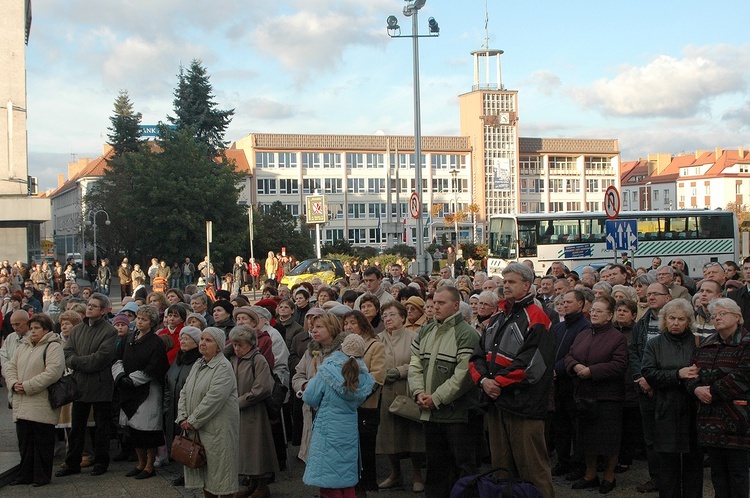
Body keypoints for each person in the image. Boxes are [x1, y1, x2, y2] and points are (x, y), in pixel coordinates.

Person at [468, 263, 555, 498]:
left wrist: (495, 383)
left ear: (527, 285)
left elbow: (531, 365)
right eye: (504, 282)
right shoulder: (496, 316)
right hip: (497, 404)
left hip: (524, 406)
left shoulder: (538, 317)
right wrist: (484, 381)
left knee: (533, 471)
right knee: (501, 471)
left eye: (512, 282)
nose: (506, 286)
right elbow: (476, 356)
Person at [411, 286, 481, 498]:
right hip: (431, 413)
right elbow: (414, 365)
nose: (435, 307)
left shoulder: (467, 334)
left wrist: (437, 398)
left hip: (457, 415)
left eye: (441, 303)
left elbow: (464, 376)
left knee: (464, 467)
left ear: (456, 306)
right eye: (433, 303)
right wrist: (418, 393)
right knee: (435, 466)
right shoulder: (425, 330)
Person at [684, 298, 750, 498]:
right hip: (709, 421)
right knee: (717, 474)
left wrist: (710, 392)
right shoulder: (706, 343)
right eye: (714, 315)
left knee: (738, 475)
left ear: (737, 317)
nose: (718, 318)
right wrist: (695, 390)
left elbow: (743, 376)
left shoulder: (746, 344)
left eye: (723, 314)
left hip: (738, 421)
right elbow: (691, 372)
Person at [564, 295, 628, 494]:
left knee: (608, 440)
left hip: (607, 398)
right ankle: (590, 474)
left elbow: (619, 365)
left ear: (609, 316)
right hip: (584, 395)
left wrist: (593, 371)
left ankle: (609, 476)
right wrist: (574, 366)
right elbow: (569, 355)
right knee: (586, 438)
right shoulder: (583, 334)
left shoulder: (617, 337)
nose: (594, 314)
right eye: (593, 311)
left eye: (599, 311)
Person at [641, 298, 703, 498]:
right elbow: (649, 372)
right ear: (665, 320)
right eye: (672, 318)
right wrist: (677, 374)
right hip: (665, 409)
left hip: (693, 408)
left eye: (681, 319)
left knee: (693, 465)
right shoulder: (654, 344)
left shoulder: (697, 342)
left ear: (688, 321)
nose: (676, 323)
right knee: (668, 467)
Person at [302, 334, 375, 498]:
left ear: (341, 347)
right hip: (349, 428)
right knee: (346, 475)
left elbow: (310, 397)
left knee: (327, 478)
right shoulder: (363, 377)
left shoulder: (326, 371)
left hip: (327, 428)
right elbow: (358, 400)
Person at [57, 293, 117, 478]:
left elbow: (100, 359)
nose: (89, 308)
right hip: (80, 385)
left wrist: (77, 361)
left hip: (100, 385)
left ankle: (101, 462)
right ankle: (72, 462)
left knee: (101, 428)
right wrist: (79, 361)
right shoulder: (76, 331)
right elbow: (66, 354)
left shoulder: (109, 331)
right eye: (89, 305)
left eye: (94, 306)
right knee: (77, 427)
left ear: (104, 310)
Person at [176, 327, 240, 497]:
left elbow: (214, 399)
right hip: (198, 429)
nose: (202, 343)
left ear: (218, 346)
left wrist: (193, 420)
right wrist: (182, 416)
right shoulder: (199, 363)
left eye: (208, 340)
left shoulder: (223, 367)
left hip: (218, 430)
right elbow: (185, 391)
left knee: (222, 476)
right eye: (202, 339)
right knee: (205, 475)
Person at [5, 314, 64, 487]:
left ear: (46, 329)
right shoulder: (23, 345)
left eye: (37, 328)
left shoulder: (53, 346)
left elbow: (53, 372)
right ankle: (25, 475)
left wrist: (28, 386)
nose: (33, 332)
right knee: (25, 442)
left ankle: (41, 476)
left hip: (41, 401)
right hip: (22, 402)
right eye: (31, 328)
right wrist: (14, 383)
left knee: (42, 442)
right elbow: (10, 366)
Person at [112, 305, 169, 480]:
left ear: (151, 323)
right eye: (138, 318)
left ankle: (150, 465)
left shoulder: (155, 342)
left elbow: (155, 367)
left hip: (147, 390)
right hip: (128, 390)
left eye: (144, 319)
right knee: (134, 430)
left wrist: (134, 380)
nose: (139, 321)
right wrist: (121, 377)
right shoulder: (129, 338)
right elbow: (117, 358)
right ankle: (140, 462)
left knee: (148, 431)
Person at [376, 301, 424, 493]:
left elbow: (419, 362)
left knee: (413, 434)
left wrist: (401, 371)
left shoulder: (414, 337)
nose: (388, 319)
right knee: (389, 436)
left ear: (403, 317)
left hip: (407, 389)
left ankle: (417, 474)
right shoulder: (377, 339)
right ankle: (395, 473)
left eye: (392, 315)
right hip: (385, 391)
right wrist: (381, 373)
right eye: (385, 315)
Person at [629, 282, 672, 494]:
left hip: (668, 388)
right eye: (650, 293)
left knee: (669, 435)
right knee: (650, 437)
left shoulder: (674, 321)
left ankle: (671, 477)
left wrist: (657, 380)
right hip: (645, 387)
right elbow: (634, 353)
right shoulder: (641, 323)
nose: (652, 297)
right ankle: (655, 477)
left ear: (668, 297)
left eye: (657, 293)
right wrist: (641, 378)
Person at [229, 325, 278, 498]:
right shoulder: (235, 359)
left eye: (240, 345)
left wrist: (240, 401)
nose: (236, 348)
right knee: (245, 451)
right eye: (234, 345)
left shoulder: (258, 360)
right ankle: (252, 484)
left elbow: (263, 388)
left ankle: (262, 486)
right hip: (239, 411)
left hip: (254, 410)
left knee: (257, 450)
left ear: (250, 344)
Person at [292, 313, 348, 463]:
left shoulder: (343, 353)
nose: (314, 330)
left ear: (331, 328)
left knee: (332, 464)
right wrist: (305, 386)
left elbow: (348, 382)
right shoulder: (310, 352)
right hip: (311, 409)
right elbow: (298, 375)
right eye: (312, 327)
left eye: (319, 327)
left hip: (333, 412)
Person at [341, 310, 385, 493]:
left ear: (362, 324)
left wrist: (359, 395)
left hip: (367, 403)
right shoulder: (343, 346)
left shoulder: (375, 345)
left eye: (353, 323)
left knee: (366, 446)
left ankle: (367, 484)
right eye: (346, 323)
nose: (349, 327)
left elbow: (378, 376)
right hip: (347, 404)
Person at [551, 290, 591, 479]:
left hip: (573, 383)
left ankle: (578, 465)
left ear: (580, 304)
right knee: (561, 426)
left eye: (569, 302)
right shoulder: (559, 327)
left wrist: (557, 369)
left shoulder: (584, 327)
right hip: (557, 385)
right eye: (563, 302)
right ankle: (563, 461)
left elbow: (576, 354)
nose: (565, 305)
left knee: (577, 428)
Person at [163, 325, 202, 487]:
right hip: (173, 405)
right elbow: (168, 381)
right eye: (181, 338)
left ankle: (192, 472)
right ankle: (184, 471)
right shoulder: (179, 359)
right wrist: (166, 406)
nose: (182, 341)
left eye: (187, 338)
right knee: (179, 440)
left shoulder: (199, 361)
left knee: (190, 442)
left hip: (189, 407)